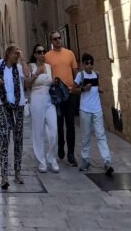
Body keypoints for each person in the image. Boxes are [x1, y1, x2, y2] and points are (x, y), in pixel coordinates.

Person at [0, 43, 28, 189]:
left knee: (18, 138)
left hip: (18, 106)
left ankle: (17, 172)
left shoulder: (19, 68)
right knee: (5, 136)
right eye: (15, 54)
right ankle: (4, 175)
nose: (16, 56)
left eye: (18, 54)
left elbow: (28, 75)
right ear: (8, 54)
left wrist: (23, 59)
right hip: (3, 106)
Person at [75, 53, 113, 175]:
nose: (89, 66)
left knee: (101, 135)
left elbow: (98, 87)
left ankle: (107, 161)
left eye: (91, 63)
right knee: (86, 136)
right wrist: (83, 89)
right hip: (85, 109)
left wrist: (100, 89)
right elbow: (72, 89)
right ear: (83, 64)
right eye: (87, 63)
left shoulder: (96, 74)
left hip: (97, 109)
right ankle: (85, 160)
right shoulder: (80, 75)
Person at [44, 30, 78, 165]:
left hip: (69, 94)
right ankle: (60, 146)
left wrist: (75, 87)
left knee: (70, 124)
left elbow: (75, 72)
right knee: (58, 123)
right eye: (55, 39)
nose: (58, 40)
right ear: (51, 41)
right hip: (56, 96)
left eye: (59, 38)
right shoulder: (47, 56)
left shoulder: (69, 54)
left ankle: (71, 153)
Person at [29, 44, 59, 173]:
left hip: (48, 99)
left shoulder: (48, 67)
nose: (42, 54)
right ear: (35, 54)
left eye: (43, 51)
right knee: (38, 130)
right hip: (36, 98)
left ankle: (52, 158)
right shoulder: (32, 66)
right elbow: (27, 84)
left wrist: (54, 82)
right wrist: (36, 74)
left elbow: (50, 81)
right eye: (39, 52)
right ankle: (41, 161)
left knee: (54, 129)